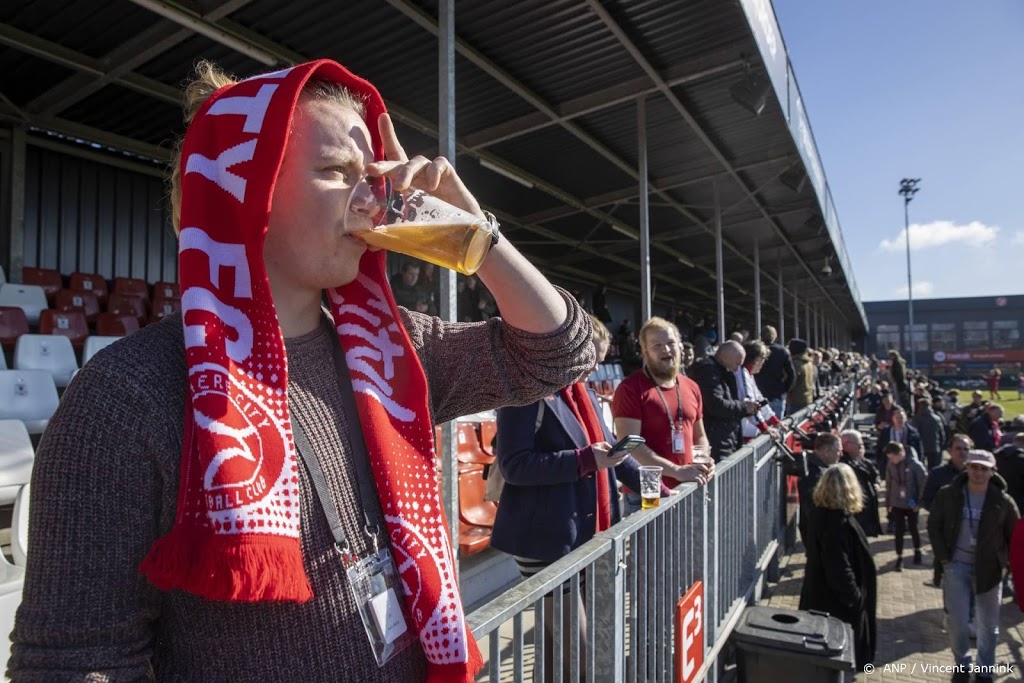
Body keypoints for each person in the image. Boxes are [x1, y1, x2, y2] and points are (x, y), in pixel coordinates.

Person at [9, 60, 596, 682]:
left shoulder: (392, 351)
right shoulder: (127, 396)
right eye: (338, 173)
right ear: (245, 189)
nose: (375, 198)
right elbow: (74, 664)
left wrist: (478, 235)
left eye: (375, 176)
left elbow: (559, 351)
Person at [491, 315, 645, 682]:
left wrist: (665, 488)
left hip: (582, 531)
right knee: (578, 654)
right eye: (589, 358)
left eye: (599, 359)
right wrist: (586, 459)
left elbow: (615, 456)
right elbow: (514, 465)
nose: (592, 368)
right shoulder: (527, 391)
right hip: (544, 538)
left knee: (558, 649)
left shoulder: (584, 393)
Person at [928, 450, 1020, 683]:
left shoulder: (1003, 501)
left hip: (989, 569)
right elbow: (934, 525)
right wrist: (944, 559)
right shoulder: (949, 494)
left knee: (988, 625)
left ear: (992, 472)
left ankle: (984, 670)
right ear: (966, 467)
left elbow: (1015, 536)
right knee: (958, 622)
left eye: (984, 468)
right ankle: (962, 664)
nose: (979, 472)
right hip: (956, 565)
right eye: (974, 467)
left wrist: (1004, 562)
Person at [612, 317, 713, 516]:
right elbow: (629, 445)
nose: (666, 350)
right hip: (648, 491)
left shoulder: (691, 386)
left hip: (689, 486)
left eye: (670, 343)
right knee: (651, 547)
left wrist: (705, 458)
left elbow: (699, 434)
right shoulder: (630, 389)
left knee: (689, 546)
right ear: (645, 351)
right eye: (657, 345)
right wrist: (676, 470)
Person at [798, 464, 877, 670]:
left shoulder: (818, 515)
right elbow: (839, 568)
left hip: (818, 597)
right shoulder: (837, 524)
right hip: (837, 607)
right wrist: (856, 598)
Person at [688, 340, 760, 461]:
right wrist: (743, 407)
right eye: (737, 364)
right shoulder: (708, 372)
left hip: (725, 438)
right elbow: (716, 405)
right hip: (715, 440)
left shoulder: (722, 372)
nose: (737, 369)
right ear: (725, 357)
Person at [922, 434, 972, 587]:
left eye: (966, 449)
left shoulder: (976, 474)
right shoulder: (938, 474)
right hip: (946, 527)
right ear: (950, 450)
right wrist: (942, 514)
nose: (962, 452)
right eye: (958, 448)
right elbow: (927, 499)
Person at [884, 442, 927, 571]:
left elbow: (923, 484)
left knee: (913, 528)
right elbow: (888, 483)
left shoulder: (915, 465)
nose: (891, 460)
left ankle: (917, 550)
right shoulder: (891, 465)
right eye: (889, 458)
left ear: (901, 454)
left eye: (893, 457)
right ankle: (899, 557)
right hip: (897, 502)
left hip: (911, 502)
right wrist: (888, 503)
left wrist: (919, 502)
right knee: (899, 530)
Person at [797, 433, 842, 545]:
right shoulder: (814, 473)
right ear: (826, 452)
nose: (840, 454)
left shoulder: (819, 469)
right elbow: (811, 507)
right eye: (838, 450)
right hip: (819, 534)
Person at [737, 340, 782, 442]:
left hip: (747, 432)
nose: (763, 364)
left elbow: (760, 399)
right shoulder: (742, 373)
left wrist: (775, 420)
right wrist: (765, 427)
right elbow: (752, 404)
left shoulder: (748, 374)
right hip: (742, 433)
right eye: (763, 360)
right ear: (757, 359)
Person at [839, 429, 882, 537]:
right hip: (854, 512)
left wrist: (876, 483)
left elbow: (876, 475)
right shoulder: (842, 465)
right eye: (858, 444)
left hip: (867, 511)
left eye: (862, 444)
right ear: (846, 445)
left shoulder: (863, 461)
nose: (861, 447)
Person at [754, 324, 795, 420]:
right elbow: (791, 374)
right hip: (777, 394)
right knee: (777, 426)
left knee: (761, 428)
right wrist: (784, 390)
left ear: (761, 335)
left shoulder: (755, 350)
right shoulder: (783, 351)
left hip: (759, 393)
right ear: (775, 336)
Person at [913, 396, 947, 470]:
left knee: (920, 467)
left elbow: (914, 433)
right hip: (934, 446)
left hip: (921, 446)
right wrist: (941, 445)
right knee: (933, 468)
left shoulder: (916, 419)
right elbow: (942, 434)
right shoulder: (937, 418)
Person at [786, 338, 814, 416]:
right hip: (808, 398)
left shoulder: (796, 363)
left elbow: (792, 382)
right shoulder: (809, 363)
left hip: (796, 401)